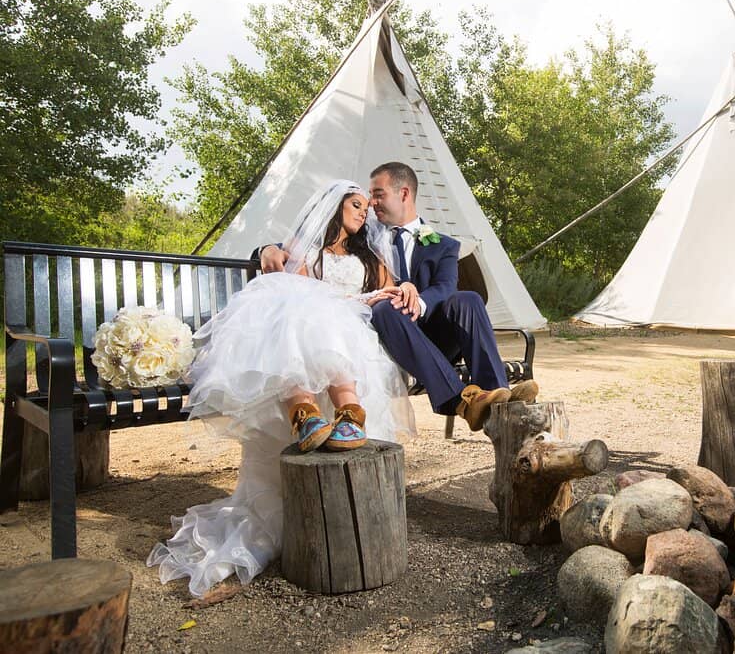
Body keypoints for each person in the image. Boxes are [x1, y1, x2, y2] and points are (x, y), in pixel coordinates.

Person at [148, 180, 414, 597]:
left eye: (367, 207)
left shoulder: (369, 256)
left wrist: (390, 292)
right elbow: (297, 295)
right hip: (312, 327)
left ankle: (340, 415)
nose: (364, 213)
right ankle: (308, 413)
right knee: (297, 306)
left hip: (350, 331)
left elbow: (389, 291)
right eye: (356, 204)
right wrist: (267, 252)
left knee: (319, 316)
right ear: (333, 206)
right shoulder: (302, 249)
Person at [261, 162, 538, 431]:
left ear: (403, 193)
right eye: (368, 198)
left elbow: (444, 288)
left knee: (468, 299)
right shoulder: (368, 236)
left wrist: (416, 299)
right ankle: (461, 400)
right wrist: (267, 249)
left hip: (431, 333)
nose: (372, 203)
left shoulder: (444, 245)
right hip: (383, 330)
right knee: (385, 307)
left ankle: (495, 396)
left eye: (378, 195)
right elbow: (315, 237)